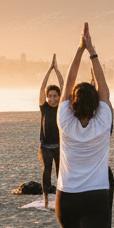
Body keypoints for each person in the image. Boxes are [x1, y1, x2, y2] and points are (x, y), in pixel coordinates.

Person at [57, 23, 114, 228]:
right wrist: (93, 52)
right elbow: (103, 89)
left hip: (68, 194)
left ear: (72, 104)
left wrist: (79, 49)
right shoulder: (103, 122)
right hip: (96, 194)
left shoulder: (64, 122)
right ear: (96, 105)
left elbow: (66, 86)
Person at [38, 55, 64, 208]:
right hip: (45, 146)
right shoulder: (44, 107)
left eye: (55, 96)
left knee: (61, 173)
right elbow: (42, 88)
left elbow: (64, 84)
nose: (52, 98)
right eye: (50, 96)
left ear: (59, 97)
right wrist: (50, 70)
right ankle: (46, 200)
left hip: (59, 146)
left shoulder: (62, 107)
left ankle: (61, 199)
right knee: (46, 171)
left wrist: (57, 70)